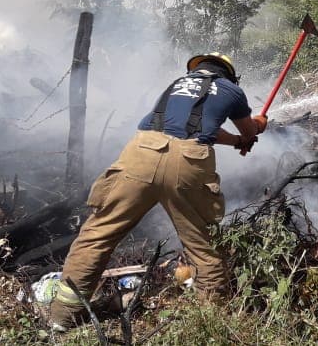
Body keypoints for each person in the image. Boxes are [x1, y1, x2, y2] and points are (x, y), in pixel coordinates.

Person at [49, 52, 268, 331]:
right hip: (188, 162)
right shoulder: (231, 90)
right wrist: (255, 128)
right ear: (228, 73)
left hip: (140, 153)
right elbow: (249, 131)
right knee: (203, 245)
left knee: (97, 235)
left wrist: (236, 140)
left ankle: (62, 318)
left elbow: (201, 127)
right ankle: (211, 324)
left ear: (197, 68)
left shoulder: (178, 84)